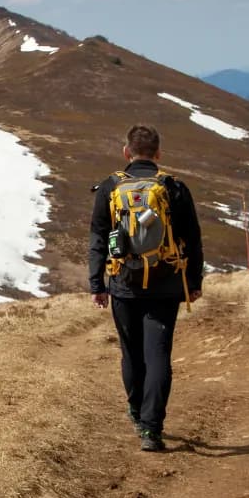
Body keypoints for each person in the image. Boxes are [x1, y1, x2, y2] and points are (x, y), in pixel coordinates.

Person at [89, 124, 204, 452]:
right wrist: (193, 282)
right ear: (158, 153)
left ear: (126, 152)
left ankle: (138, 412)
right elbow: (193, 238)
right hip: (165, 285)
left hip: (123, 284)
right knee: (158, 355)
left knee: (131, 354)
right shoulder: (173, 187)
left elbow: (99, 238)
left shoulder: (110, 186)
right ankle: (152, 430)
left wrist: (97, 284)